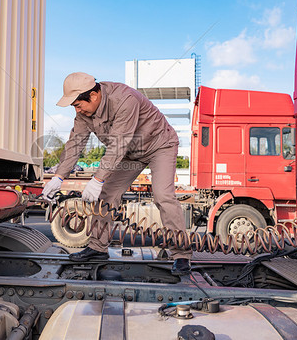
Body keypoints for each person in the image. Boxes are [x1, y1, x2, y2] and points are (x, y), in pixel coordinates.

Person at [42, 72, 192, 275]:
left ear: (93, 96)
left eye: (78, 104)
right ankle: (97, 247)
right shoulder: (83, 114)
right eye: (74, 107)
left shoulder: (124, 99)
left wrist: (97, 179)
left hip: (159, 146)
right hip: (130, 153)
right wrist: (58, 177)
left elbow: (118, 144)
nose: (77, 110)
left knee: (163, 195)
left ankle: (181, 254)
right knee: (106, 195)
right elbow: (75, 144)